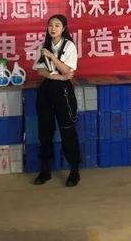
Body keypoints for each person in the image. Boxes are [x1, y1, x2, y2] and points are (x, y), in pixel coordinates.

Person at [32, 14, 80, 187]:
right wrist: (58, 77)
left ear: (64, 28)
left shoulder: (69, 46)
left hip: (64, 92)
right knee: (44, 132)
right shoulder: (43, 46)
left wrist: (52, 57)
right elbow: (40, 70)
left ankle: (74, 170)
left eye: (57, 25)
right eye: (50, 25)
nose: (53, 28)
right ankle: (45, 170)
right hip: (47, 90)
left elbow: (68, 70)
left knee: (68, 130)